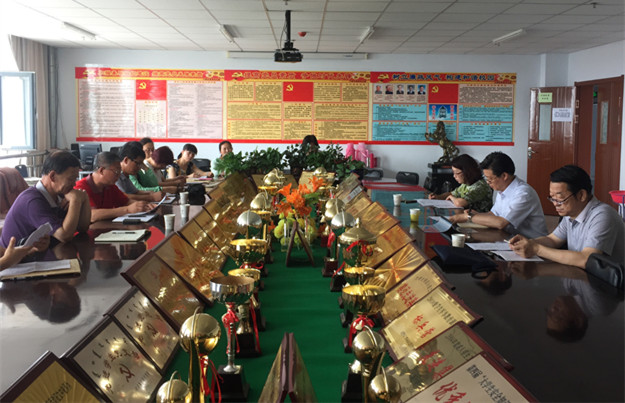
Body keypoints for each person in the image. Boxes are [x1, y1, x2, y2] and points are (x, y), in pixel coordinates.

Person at [509, 165, 624, 268]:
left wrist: (536, 249)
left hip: (608, 283)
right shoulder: (571, 213)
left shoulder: (603, 215)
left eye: (560, 198)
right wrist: (527, 243)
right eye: (552, 198)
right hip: (580, 275)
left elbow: (587, 259)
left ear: (581, 195)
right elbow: (553, 240)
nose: (555, 204)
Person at [448, 151, 547, 239]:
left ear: (504, 176)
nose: (488, 182)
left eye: (490, 179)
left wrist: (468, 217)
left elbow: (501, 223)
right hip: (509, 237)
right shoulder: (503, 189)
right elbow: (493, 214)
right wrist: (476, 215)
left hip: (532, 243)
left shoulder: (523, 194)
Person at [1, 150, 91, 247]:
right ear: (53, 176)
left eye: (76, 178)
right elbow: (64, 236)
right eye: (70, 179)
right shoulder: (33, 201)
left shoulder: (59, 195)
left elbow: (82, 227)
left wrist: (84, 198)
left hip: (43, 253)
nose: (74, 184)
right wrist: (75, 201)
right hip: (16, 256)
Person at [74, 151, 155, 222]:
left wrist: (145, 206)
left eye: (120, 172)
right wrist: (127, 210)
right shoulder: (81, 187)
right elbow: (91, 215)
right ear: (101, 170)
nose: (119, 175)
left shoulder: (110, 186)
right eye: (116, 172)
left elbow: (126, 202)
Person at [428, 154, 492, 212]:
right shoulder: (466, 184)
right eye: (453, 173)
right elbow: (452, 193)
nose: (454, 176)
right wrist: (438, 197)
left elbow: (460, 203)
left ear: (467, 172)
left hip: (480, 219)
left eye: (457, 173)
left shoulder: (480, 186)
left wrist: (451, 197)